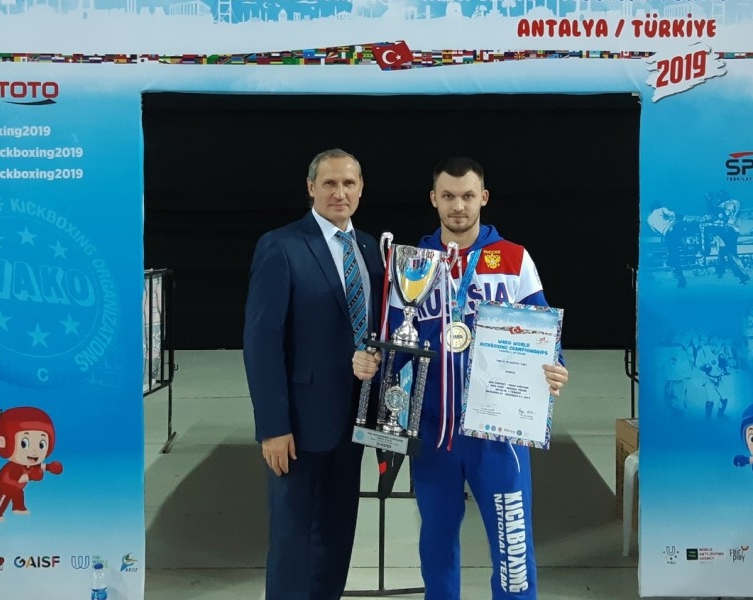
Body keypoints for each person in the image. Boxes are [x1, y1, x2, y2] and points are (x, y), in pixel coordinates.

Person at [387, 157, 569, 600]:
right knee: (436, 546)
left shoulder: (513, 258)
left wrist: (555, 366)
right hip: (434, 433)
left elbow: (542, 329)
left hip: (500, 434)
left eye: (468, 196)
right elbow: (395, 342)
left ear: (483, 198)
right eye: (448, 196)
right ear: (433, 199)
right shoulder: (411, 264)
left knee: (513, 550)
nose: (458, 206)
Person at [242, 148, 384, 600]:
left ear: (360, 189)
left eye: (348, 183)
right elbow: (261, 343)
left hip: (355, 422)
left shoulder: (370, 249)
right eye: (330, 183)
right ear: (311, 188)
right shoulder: (281, 246)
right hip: (299, 427)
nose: (340, 192)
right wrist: (273, 426)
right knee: (293, 541)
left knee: (337, 536)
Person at [646, 204, 688, 288]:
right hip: (673, 228)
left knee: (674, 255)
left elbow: (656, 231)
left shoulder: (649, 219)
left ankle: (680, 277)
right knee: (688, 224)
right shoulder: (661, 209)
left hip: (667, 236)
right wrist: (678, 216)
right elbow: (672, 214)